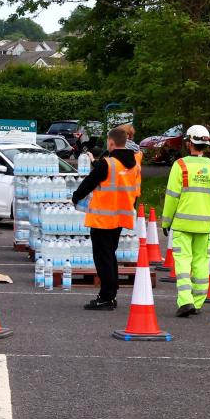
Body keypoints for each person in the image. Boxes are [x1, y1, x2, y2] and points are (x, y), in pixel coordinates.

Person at [71, 127, 139, 310]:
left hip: (102, 218)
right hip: (120, 218)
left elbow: (89, 182)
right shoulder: (134, 165)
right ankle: (110, 294)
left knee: (103, 258)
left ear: (111, 142)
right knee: (110, 256)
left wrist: (76, 197)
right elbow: (136, 192)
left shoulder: (107, 163)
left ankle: (107, 297)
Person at [161, 125, 210, 317]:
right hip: (204, 226)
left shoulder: (180, 165)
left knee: (182, 263)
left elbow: (172, 196)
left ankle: (186, 301)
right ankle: (197, 302)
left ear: (189, 143)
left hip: (182, 224)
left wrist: (166, 222)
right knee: (201, 264)